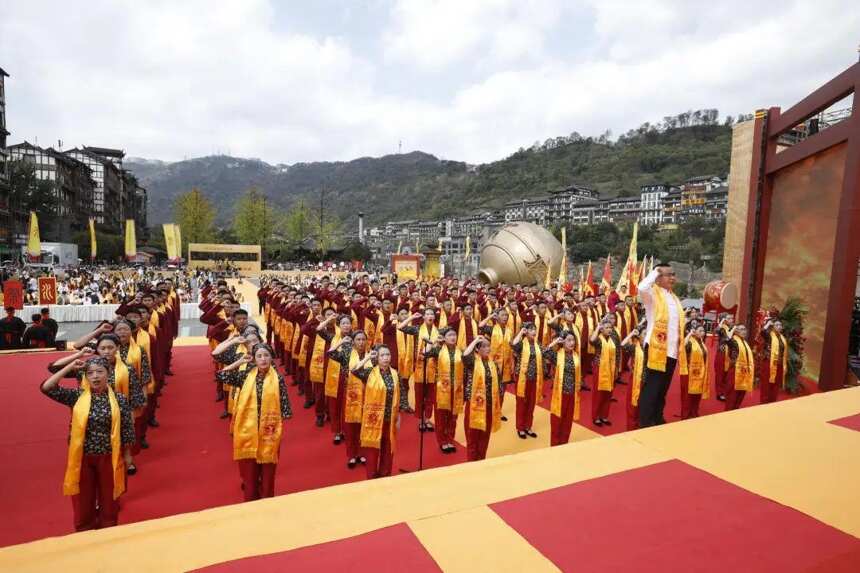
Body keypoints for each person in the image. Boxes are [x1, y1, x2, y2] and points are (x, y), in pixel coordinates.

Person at [41, 356, 135, 531]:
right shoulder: (76, 396)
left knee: (109, 499)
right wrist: (70, 365)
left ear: (109, 374)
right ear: (85, 376)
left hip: (109, 456)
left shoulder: (119, 399)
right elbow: (47, 387)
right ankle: (85, 530)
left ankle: (109, 529)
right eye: (90, 373)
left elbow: (127, 429)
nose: (95, 376)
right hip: (82, 457)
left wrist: (128, 454)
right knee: (83, 499)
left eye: (100, 372)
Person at [220, 343, 292, 501]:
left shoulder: (277, 378)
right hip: (248, 431)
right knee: (250, 478)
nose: (263, 359)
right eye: (259, 356)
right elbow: (222, 375)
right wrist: (239, 363)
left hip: (269, 433)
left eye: (266, 355)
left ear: (271, 358)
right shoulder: (246, 375)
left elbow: (285, 409)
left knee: (267, 477)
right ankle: (250, 504)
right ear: (254, 359)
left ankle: (266, 505)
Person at [638, 264, 686, 427]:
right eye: (668, 275)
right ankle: (645, 421)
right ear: (658, 278)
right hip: (656, 347)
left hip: (671, 350)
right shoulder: (652, 294)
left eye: (674, 274)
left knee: (663, 388)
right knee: (652, 386)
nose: (672, 278)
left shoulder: (674, 298)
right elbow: (642, 287)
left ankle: (657, 417)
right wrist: (655, 272)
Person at [351, 345, 401, 479]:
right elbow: (354, 370)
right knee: (372, 450)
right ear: (377, 358)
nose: (386, 358)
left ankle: (385, 474)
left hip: (389, 419)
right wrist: (368, 357)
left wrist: (398, 417)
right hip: (374, 419)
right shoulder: (370, 373)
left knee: (387, 448)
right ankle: (372, 476)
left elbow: (398, 396)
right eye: (382, 355)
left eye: (388, 355)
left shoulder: (395, 373)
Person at [327, 330, 369, 468]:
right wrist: (341, 342)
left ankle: (362, 453)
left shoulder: (371, 357)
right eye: (358, 339)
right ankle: (352, 455)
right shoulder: (346, 354)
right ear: (353, 341)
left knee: (363, 425)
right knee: (350, 426)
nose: (361, 342)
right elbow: (330, 353)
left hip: (367, 395)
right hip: (350, 395)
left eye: (363, 339)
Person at [461, 335, 502, 460]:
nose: (488, 349)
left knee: (485, 436)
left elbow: (497, 384)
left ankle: (481, 460)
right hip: (475, 404)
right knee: (473, 435)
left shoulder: (493, 364)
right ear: (477, 349)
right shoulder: (473, 362)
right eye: (484, 346)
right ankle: (472, 462)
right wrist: (475, 341)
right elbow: (464, 356)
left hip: (489, 404)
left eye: (488, 346)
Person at [424, 327, 463, 454]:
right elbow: (426, 353)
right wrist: (434, 342)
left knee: (453, 417)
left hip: (456, 389)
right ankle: (442, 441)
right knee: (441, 416)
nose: (453, 337)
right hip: (442, 388)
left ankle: (450, 439)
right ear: (444, 338)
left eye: (454, 335)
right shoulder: (439, 350)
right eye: (450, 335)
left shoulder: (461, 351)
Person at [542, 330, 582, 446]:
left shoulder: (576, 355)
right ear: (563, 341)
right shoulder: (557, 355)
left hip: (572, 394)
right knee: (556, 421)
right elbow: (544, 353)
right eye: (569, 340)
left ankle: (564, 444)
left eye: (573, 340)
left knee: (567, 422)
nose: (572, 343)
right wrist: (554, 342)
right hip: (560, 394)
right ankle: (554, 446)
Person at [510, 322, 543, 439]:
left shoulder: (537, 344)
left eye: (535, 329)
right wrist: (521, 333)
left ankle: (528, 426)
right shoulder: (521, 344)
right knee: (521, 403)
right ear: (525, 331)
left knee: (531, 403)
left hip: (534, 378)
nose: (534, 331)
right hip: (522, 378)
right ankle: (520, 427)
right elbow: (513, 345)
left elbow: (546, 352)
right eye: (531, 329)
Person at [589, 319, 621, 426]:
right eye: (607, 328)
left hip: (611, 369)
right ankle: (596, 417)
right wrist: (598, 328)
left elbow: (617, 354)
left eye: (610, 327)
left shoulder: (613, 339)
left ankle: (604, 416)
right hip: (600, 368)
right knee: (599, 394)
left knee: (608, 393)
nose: (609, 330)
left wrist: (616, 369)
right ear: (602, 330)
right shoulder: (599, 339)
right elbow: (591, 340)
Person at [680, 324, 710, 419]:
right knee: (688, 396)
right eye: (700, 331)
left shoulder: (701, 342)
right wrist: (689, 334)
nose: (703, 333)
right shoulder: (690, 342)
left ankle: (694, 413)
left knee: (697, 395)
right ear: (694, 331)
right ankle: (686, 416)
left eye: (703, 331)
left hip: (700, 372)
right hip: (689, 373)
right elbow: (682, 347)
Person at [620, 326, 646, 431]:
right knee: (632, 406)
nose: (646, 336)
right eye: (644, 334)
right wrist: (631, 333)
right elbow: (622, 345)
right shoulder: (635, 348)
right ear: (639, 337)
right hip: (636, 380)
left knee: (643, 406)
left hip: (646, 381)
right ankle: (631, 429)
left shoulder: (650, 348)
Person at [724, 325, 754, 411]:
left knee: (739, 398)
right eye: (741, 329)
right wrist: (733, 329)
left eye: (745, 329)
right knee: (731, 398)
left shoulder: (745, 342)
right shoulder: (734, 341)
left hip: (744, 373)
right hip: (735, 373)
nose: (744, 331)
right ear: (736, 331)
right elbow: (727, 339)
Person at [759, 318, 788, 404]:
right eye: (777, 325)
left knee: (776, 385)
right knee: (766, 384)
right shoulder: (769, 335)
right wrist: (768, 324)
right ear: (773, 327)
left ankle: (772, 403)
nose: (779, 327)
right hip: (769, 363)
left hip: (779, 364)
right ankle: (764, 403)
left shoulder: (783, 338)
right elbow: (762, 332)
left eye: (780, 325)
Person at [714, 314, 735, 401]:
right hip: (722, 353)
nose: (731, 320)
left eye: (732, 318)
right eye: (729, 318)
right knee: (720, 374)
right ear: (724, 320)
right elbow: (716, 331)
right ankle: (719, 393)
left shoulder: (733, 328)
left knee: (728, 374)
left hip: (730, 354)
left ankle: (726, 392)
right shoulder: (722, 328)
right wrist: (721, 322)